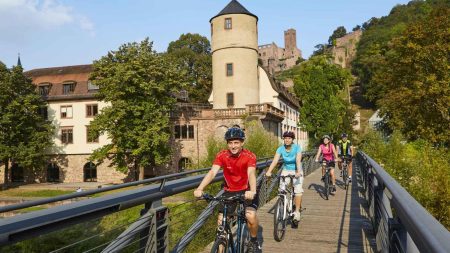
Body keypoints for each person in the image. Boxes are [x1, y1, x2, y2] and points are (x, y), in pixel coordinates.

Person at [194, 126, 260, 252]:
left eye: (236, 143)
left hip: (246, 190)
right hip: (229, 191)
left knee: (250, 216)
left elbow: (251, 173)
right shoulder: (222, 155)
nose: (233, 146)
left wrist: (252, 191)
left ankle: (253, 240)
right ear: (227, 143)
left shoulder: (249, 156)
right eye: (230, 143)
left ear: (242, 143)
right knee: (221, 225)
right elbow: (212, 173)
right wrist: (200, 188)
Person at [265, 131, 303, 222]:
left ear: (292, 139)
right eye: (285, 138)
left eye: (289, 138)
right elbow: (275, 161)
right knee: (281, 190)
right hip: (286, 170)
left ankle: (297, 212)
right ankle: (284, 204)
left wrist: (298, 172)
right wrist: (269, 172)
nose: (287, 140)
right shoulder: (280, 149)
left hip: (296, 170)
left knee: (297, 190)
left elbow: (298, 160)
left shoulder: (297, 148)